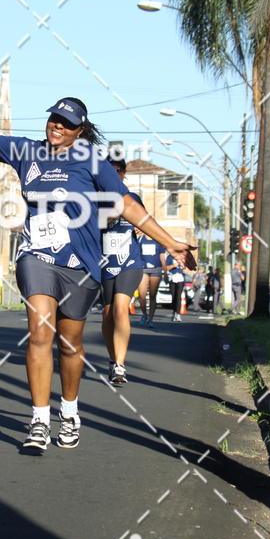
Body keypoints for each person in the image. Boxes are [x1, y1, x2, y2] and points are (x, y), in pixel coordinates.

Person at [0, 95, 196, 452]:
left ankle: (69, 411)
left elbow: (127, 204)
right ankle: (39, 419)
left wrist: (170, 243)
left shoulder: (91, 161)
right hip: (36, 255)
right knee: (39, 332)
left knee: (69, 346)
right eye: (55, 118)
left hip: (81, 264)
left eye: (68, 123)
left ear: (80, 130)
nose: (58, 126)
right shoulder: (26, 151)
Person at [100, 158, 145, 386]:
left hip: (130, 261)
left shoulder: (133, 198)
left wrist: (141, 226)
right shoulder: (95, 197)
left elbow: (144, 222)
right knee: (107, 314)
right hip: (105, 264)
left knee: (120, 309)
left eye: (118, 171)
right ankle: (111, 358)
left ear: (124, 173)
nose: (114, 174)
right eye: (109, 171)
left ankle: (120, 364)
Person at [137, 235, 167, 329]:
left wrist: (165, 271)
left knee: (153, 295)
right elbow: (136, 254)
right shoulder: (140, 239)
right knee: (142, 295)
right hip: (143, 268)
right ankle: (144, 314)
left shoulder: (158, 239)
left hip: (156, 269)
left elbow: (162, 255)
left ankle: (151, 319)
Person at [165, 256, 186, 322]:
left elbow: (185, 268)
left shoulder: (182, 256)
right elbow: (166, 268)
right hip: (172, 278)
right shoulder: (169, 257)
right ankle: (174, 312)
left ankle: (178, 314)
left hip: (180, 278)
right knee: (173, 297)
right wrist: (174, 265)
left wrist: (181, 263)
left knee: (178, 297)